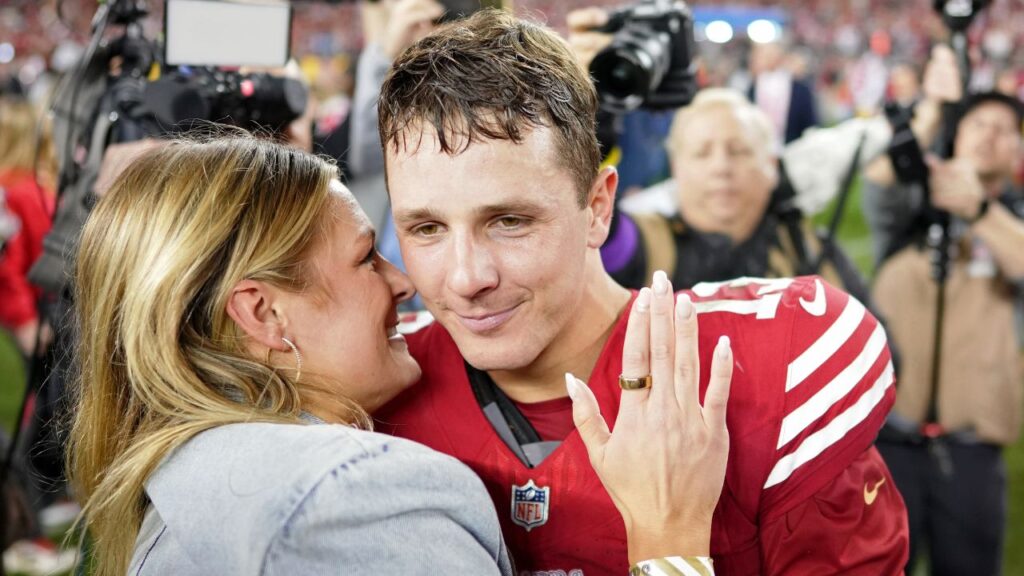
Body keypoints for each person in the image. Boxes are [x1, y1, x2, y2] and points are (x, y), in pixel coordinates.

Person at [375, 10, 908, 575]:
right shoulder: (373, 389)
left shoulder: (777, 367)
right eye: (426, 229)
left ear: (598, 208)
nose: (465, 278)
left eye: (509, 221)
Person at [68, 132, 732, 576]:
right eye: (367, 257)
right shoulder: (360, 499)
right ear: (264, 313)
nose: (404, 281)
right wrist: (668, 539)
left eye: (508, 221)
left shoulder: (186, 466)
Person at [862, 44, 1024, 576]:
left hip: (974, 445)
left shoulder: (1013, 219)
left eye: (1006, 127)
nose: (991, 134)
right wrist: (931, 108)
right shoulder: (914, 200)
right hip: (889, 439)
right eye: (979, 122)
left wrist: (979, 210)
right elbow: (877, 184)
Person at [599, 88, 872, 309]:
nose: (721, 167)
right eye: (702, 153)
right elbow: (604, 234)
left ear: (772, 166)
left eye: (739, 151)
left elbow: (878, 350)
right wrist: (595, 122)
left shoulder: (808, 247)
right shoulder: (646, 244)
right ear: (676, 168)